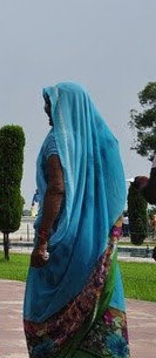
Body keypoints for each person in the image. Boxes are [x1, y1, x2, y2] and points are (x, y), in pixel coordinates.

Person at [23, 83, 129, 357]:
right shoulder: (100, 142)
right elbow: (115, 190)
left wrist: (43, 242)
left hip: (64, 243)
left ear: (66, 107)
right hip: (97, 242)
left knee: (46, 312)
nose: (46, 109)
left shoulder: (58, 140)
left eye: (51, 103)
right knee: (97, 313)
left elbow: (57, 189)